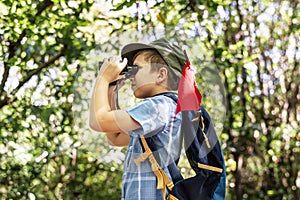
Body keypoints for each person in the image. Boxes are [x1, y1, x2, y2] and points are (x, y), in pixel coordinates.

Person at [89, 38, 188, 200]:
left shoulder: (159, 106)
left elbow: (99, 121)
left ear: (161, 74)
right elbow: (114, 137)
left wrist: (103, 78)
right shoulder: (164, 110)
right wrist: (111, 88)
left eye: (137, 68)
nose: (131, 76)